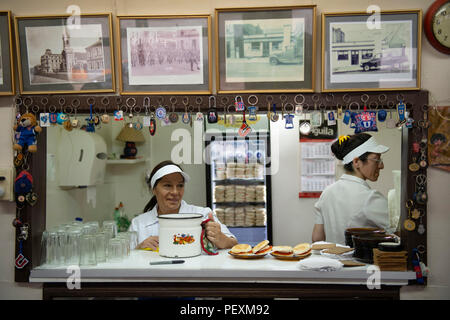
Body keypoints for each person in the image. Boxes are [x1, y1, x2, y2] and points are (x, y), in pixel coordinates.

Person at [129, 160, 237, 250]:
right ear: (154, 189)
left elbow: (234, 244)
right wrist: (139, 249)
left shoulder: (202, 215)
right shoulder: (139, 224)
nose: (175, 192)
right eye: (168, 185)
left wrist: (221, 239)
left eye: (180, 185)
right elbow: (124, 260)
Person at [312, 133, 394, 245]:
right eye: (376, 160)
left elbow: (317, 239)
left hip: (330, 261)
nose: (381, 166)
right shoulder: (370, 198)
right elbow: (399, 232)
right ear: (356, 162)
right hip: (361, 262)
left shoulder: (327, 193)